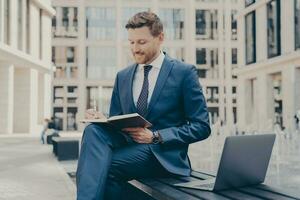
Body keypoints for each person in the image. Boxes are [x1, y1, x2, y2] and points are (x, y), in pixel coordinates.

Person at [76, 12, 211, 200]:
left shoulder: (184, 73)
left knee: (102, 166)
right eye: (131, 42)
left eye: (141, 42)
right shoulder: (123, 76)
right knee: (92, 131)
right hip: (129, 146)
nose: (135, 49)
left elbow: (202, 127)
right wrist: (101, 119)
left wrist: (156, 137)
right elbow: (117, 121)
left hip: (161, 155)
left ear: (160, 38)